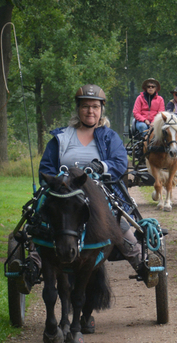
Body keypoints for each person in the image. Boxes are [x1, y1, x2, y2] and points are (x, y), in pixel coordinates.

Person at [22, 84, 158, 290]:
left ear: (101, 109)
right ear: (78, 109)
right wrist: (57, 180)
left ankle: (140, 262)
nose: (90, 111)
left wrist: (101, 165)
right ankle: (33, 262)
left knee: (117, 220)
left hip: (101, 191)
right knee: (42, 219)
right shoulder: (62, 137)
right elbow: (47, 167)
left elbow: (120, 162)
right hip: (65, 192)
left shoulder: (109, 137)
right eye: (85, 106)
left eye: (95, 106)